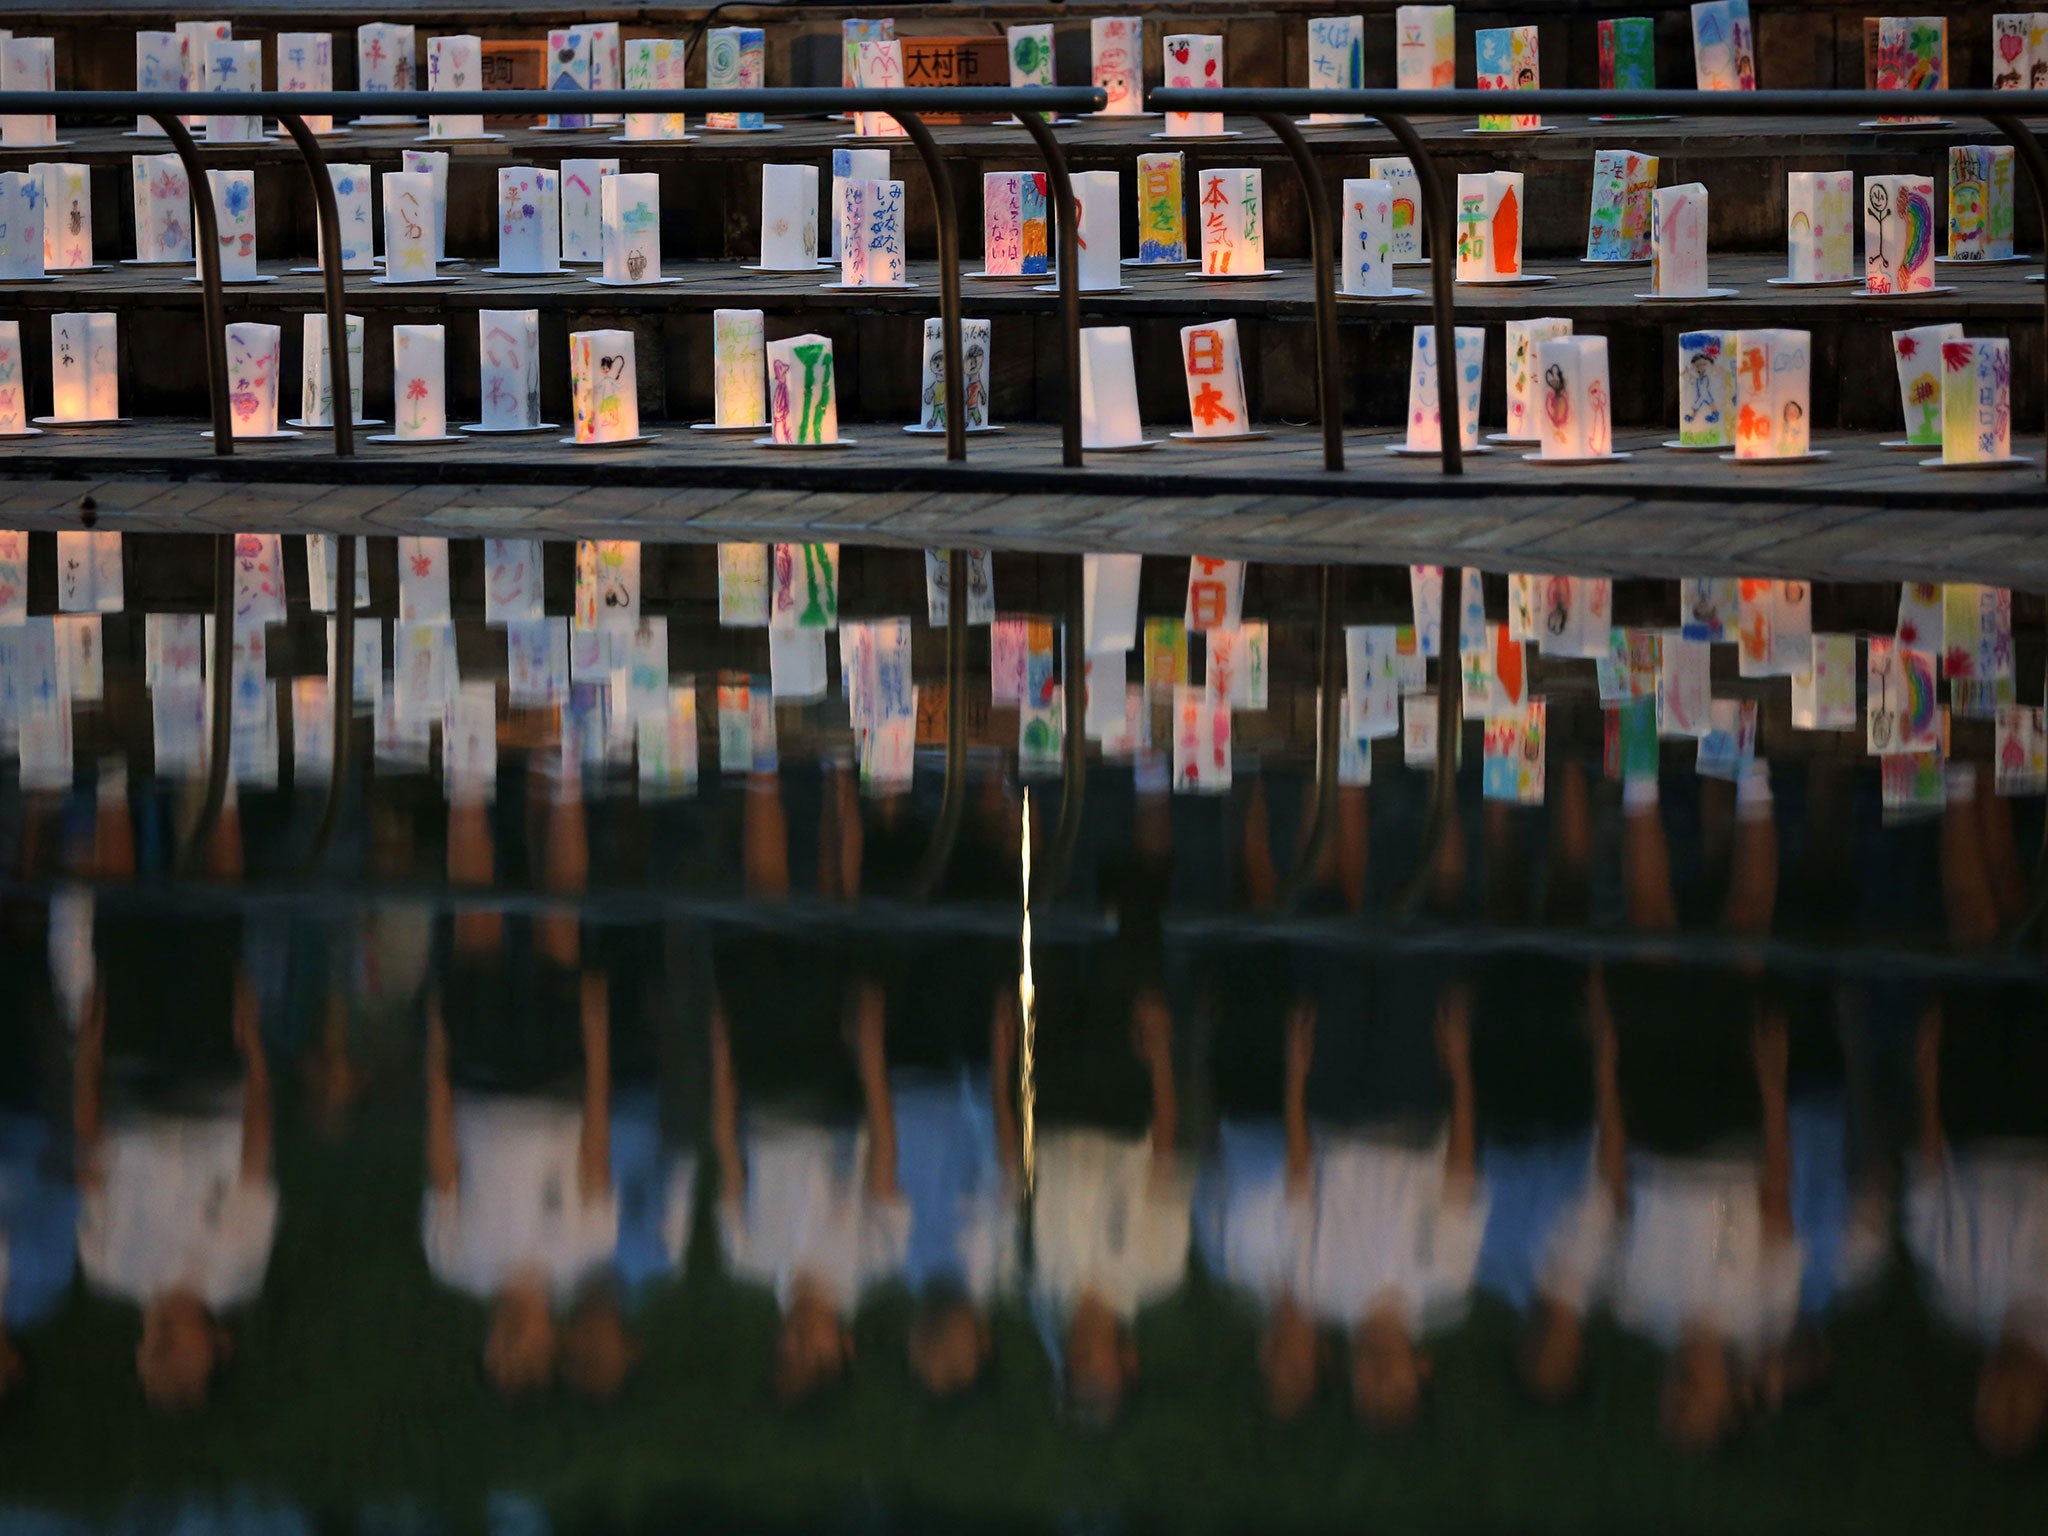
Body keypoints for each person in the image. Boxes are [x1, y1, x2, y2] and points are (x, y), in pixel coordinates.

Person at [1598, 760, 1802, 1453]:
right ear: (1732, 1401)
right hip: (1732, 1130)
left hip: (1657, 1123)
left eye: (1669, 1409)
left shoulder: (1635, 1304)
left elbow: (1619, 1185)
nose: (1678, 1396)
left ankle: (1640, 766)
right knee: (1746, 929)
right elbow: (1777, 1197)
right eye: (1694, 1410)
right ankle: (1754, 766)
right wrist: (1773, 1090)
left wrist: (1609, 1070)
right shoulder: (1764, 1311)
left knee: (1650, 926)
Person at [423, 761, 632, 1402]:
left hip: (481, 1077)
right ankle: (563, 772)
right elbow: (595, 1146)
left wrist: (437, 1052)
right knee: (558, 924)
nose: (506, 1346)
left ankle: (468, 777)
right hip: (555, 1081)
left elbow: (443, 1159)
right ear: (549, 1347)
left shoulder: (455, 1261)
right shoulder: (585, 1250)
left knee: (475, 921)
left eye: (496, 1359)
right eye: (521, 1361)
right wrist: (597, 1039)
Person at [74, 778, 277, 1413]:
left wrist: (88, 1055)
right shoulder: (238, 1270)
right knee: (216, 919)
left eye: (150, 1375)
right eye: (178, 1375)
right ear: (217, 1347)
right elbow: (254, 1156)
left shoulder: (109, 1269)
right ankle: (217, 781)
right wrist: (254, 1049)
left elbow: (89, 1157)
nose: (158, 1362)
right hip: (210, 1077)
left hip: (131, 1078)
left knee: (120, 921)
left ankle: (111, 777)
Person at [710, 759, 908, 1405]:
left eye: (785, 1356)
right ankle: (837, 774)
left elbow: (727, 1148)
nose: (793, 1343)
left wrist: (723, 1049)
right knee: (835, 906)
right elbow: (882, 1154)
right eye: (810, 1358)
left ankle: (764, 763)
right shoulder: (876, 1258)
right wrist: (871, 1057)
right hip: (832, 1091)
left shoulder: (747, 1256)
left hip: (765, 1084)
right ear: (842, 1348)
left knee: (765, 899)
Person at [1905, 764, 2048, 1461]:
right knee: (2018, 915)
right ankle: (1999, 756)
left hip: (1976, 1108)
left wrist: (1927, 1074)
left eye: (1990, 1407)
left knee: (1972, 926)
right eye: (2015, 1412)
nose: (2002, 1393)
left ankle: (1966, 765)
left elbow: (1930, 1181)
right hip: (2040, 1116)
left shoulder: (1959, 1299)